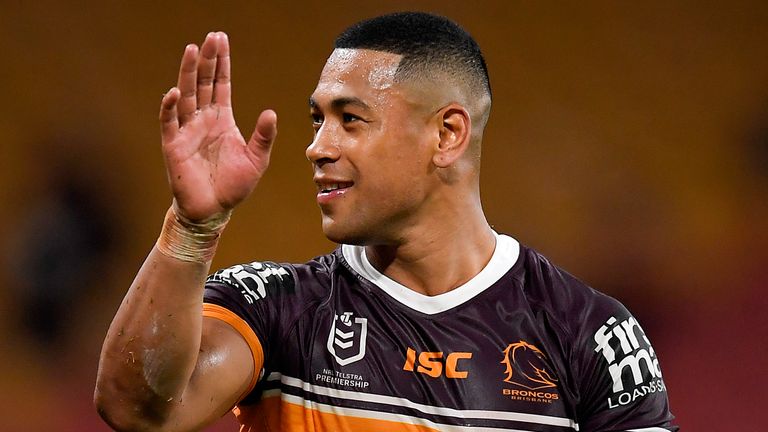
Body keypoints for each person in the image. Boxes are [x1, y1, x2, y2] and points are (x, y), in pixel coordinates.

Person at [95, 12, 677, 432]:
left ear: (447, 135)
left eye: (350, 119)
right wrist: (192, 229)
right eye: (317, 120)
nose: (317, 147)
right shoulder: (281, 309)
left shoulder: (589, 334)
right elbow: (137, 412)